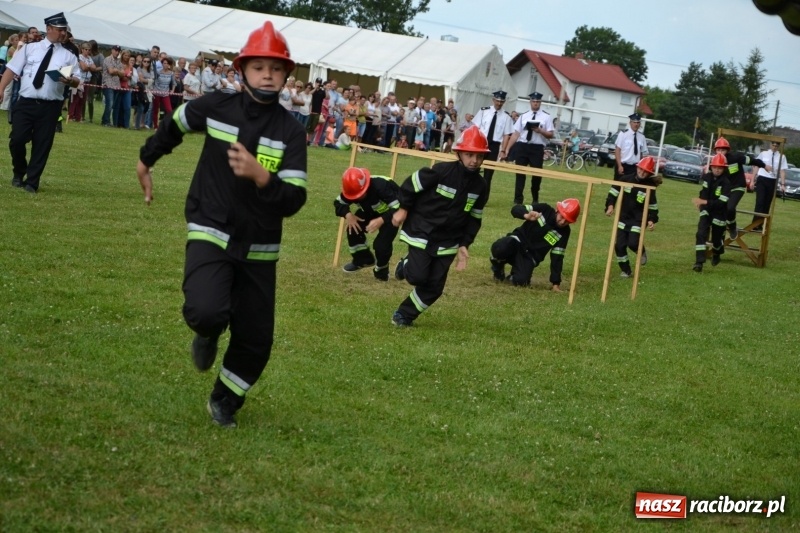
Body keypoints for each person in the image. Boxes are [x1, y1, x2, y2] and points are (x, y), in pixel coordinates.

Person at [135, 21, 307, 429]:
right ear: (242, 70)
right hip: (210, 228)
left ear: (286, 74)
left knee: (256, 340)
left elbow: (295, 198)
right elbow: (176, 123)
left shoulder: (291, 132)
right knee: (206, 311)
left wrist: (262, 177)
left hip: (260, 248)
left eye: (276, 68)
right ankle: (208, 332)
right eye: (258, 67)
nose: (267, 75)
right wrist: (146, 159)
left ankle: (225, 400)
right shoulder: (217, 106)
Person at [390, 125, 489, 327]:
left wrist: (465, 244)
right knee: (417, 276)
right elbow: (410, 184)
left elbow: (474, 218)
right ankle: (405, 265)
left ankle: (404, 315)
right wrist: (403, 208)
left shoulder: (481, 186)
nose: (474, 160)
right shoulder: (440, 171)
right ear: (459, 153)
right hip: (422, 230)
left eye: (479, 156)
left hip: (449, 240)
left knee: (434, 286)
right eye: (469, 155)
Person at [0, 12, 79, 193]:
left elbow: (77, 80)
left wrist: (70, 80)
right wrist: (1, 88)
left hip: (50, 106)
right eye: (60, 29)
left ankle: (32, 182)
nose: (63, 33)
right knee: (17, 140)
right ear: (49, 29)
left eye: (65, 30)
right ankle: (19, 172)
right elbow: (11, 69)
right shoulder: (30, 49)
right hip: (26, 103)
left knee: (42, 144)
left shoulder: (69, 56)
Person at [489, 198, 580, 290]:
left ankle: (513, 277)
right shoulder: (544, 209)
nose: (563, 222)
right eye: (562, 217)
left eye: (568, 221)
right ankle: (497, 266)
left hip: (530, 257)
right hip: (517, 242)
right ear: (557, 210)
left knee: (522, 282)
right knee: (500, 247)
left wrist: (555, 283)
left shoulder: (564, 233)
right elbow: (515, 209)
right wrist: (526, 215)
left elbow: (557, 257)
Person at [334, 167, 401, 281]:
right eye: (354, 196)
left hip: (392, 215)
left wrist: (381, 220)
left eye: (360, 194)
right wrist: (348, 215)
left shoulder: (382, 186)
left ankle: (381, 271)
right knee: (353, 228)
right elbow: (338, 203)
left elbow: (399, 207)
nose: (357, 198)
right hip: (370, 211)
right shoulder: (351, 189)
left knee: (381, 245)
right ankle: (364, 260)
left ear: (366, 186)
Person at [605, 156, 661, 278]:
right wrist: (610, 205)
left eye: (645, 171)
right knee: (619, 246)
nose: (642, 172)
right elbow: (613, 192)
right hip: (623, 217)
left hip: (638, 220)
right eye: (641, 169)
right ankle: (626, 271)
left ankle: (641, 252)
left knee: (633, 242)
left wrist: (651, 219)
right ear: (637, 168)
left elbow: (653, 206)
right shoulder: (625, 179)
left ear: (649, 173)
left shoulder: (650, 187)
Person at [711, 137, 766, 239]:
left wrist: (764, 165)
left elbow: (752, 160)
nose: (720, 152)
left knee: (730, 208)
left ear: (727, 150)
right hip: (725, 189)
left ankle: (732, 228)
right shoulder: (715, 161)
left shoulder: (736, 157)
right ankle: (718, 236)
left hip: (737, 187)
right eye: (718, 150)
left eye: (723, 150)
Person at [506, 92, 555, 205]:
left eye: (537, 101)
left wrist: (540, 131)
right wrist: (508, 148)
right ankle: (518, 199)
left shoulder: (546, 117)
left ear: (540, 102)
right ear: (530, 102)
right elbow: (516, 134)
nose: (535, 103)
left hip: (536, 148)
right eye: (533, 101)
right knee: (520, 173)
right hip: (522, 146)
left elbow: (550, 134)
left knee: (537, 174)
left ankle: (535, 198)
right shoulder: (524, 116)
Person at [692, 154, 730, 272]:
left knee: (716, 239)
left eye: (720, 168)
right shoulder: (707, 177)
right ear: (711, 167)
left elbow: (722, 202)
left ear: (724, 169)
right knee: (700, 234)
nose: (717, 170)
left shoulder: (726, 182)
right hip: (706, 210)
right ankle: (699, 262)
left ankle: (717, 252)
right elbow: (703, 192)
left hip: (719, 213)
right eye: (715, 167)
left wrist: (705, 201)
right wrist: (701, 202)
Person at [473, 90, 514, 199]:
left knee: (488, 174)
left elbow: (506, 135)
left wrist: (503, 150)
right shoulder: (483, 111)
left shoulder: (506, 116)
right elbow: (475, 128)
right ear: (493, 100)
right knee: (474, 169)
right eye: (497, 101)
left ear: (504, 102)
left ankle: (483, 198)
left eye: (501, 101)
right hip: (481, 143)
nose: (499, 103)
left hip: (494, 146)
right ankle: (471, 193)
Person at [751, 141, 787, 231]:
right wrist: (752, 180)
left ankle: (761, 225)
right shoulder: (764, 154)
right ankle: (754, 224)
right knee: (760, 202)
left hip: (772, 180)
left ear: (778, 147)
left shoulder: (782, 157)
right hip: (762, 178)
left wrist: (783, 184)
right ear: (770, 145)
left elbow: (782, 171)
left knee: (767, 203)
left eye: (776, 146)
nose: (774, 147)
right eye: (773, 145)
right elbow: (756, 166)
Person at [613, 113, 649, 180]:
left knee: (630, 186)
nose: (636, 124)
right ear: (630, 123)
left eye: (638, 122)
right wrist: (619, 165)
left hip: (634, 167)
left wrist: (640, 168)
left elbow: (643, 154)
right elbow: (617, 150)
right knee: (617, 185)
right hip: (623, 165)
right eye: (634, 122)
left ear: (640, 124)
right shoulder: (623, 134)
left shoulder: (642, 137)